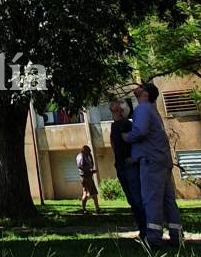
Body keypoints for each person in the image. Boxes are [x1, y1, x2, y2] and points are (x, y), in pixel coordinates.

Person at [122, 82, 182, 247]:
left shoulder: (143, 109)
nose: (136, 87)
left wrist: (127, 137)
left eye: (140, 86)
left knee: (151, 199)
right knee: (168, 200)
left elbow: (140, 132)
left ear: (145, 94)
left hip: (151, 161)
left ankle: (154, 237)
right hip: (162, 160)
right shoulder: (153, 111)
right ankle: (176, 235)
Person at [109, 100, 146, 239]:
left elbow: (136, 142)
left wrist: (133, 158)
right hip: (120, 165)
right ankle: (143, 229)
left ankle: (147, 230)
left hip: (129, 166)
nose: (113, 104)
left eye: (117, 103)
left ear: (120, 109)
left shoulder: (126, 124)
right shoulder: (115, 125)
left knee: (137, 199)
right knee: (132, 200)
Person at [76, 145, 102, 214]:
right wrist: (90, 171)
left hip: (88, 176)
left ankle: (97, 208)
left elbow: (89, 164)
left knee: (94, 193)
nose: (89, 153)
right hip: (85, 177)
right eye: (88, 151)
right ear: (84, 150)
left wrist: (90, 156)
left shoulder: (85, 156)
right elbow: (81, 166)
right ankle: (83, 208)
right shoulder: (81, 156)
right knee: (87, 193)